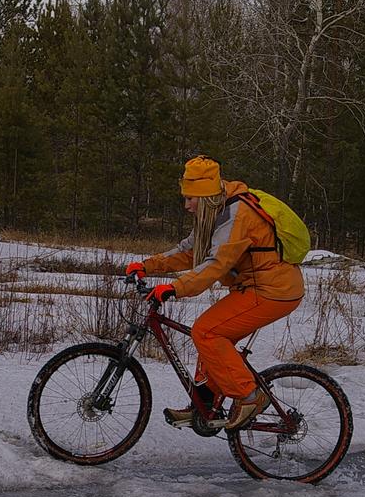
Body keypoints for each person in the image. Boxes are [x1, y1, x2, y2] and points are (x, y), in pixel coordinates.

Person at [125, 155, 305, 430]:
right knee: (211, 339)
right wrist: (146, 266)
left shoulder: (237, 214)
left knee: (207, 331)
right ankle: (205, 406)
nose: (186, 205)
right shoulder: (219, 212)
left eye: (190, 199)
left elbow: (216, 262)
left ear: (205, 196)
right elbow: (190, 250)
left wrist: (175, 287)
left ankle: (249, 396)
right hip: (254, 288)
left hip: (273, 291)